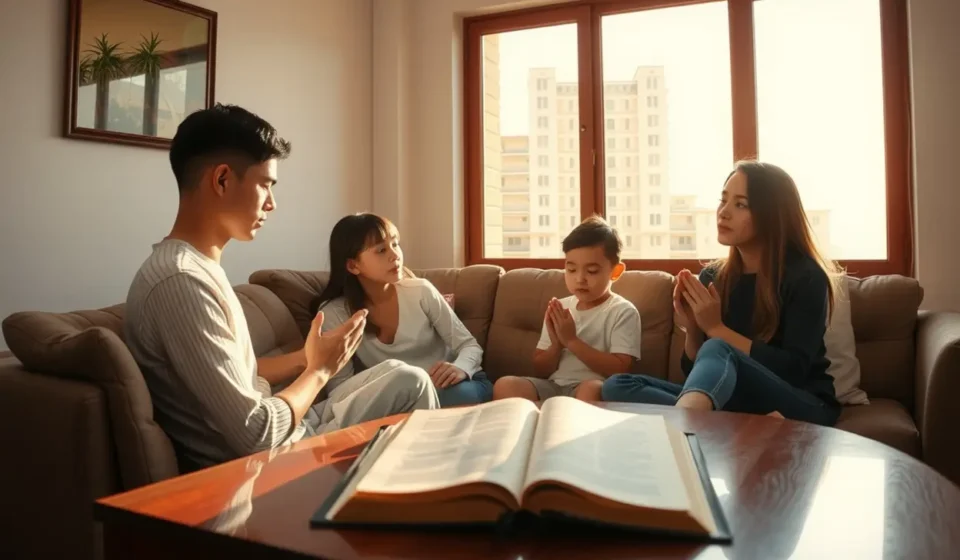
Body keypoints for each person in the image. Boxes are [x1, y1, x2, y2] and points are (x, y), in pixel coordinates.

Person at [124, 104, 439, 472]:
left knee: (402, 375)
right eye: (265, 185)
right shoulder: (180, 282)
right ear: (222, 180)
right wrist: (319, 371)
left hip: (294, 433)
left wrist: (308, 357)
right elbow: (256, 432)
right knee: (411, 383)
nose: (272, 204)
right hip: (272, 463)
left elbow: (234, 378)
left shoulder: (197, 270)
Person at [602, 160, 843, 426]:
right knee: (617, 386)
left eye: (740, 204)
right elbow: (699, 374)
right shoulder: (714, 277)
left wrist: (716, 329)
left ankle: (684, 427)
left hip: (803, 399)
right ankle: (727, 422)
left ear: (771, 214)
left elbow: (794, 370)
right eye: (723, 200)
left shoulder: (805, 277)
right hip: (731, 400)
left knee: (718, 347)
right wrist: (693, 328)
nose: (723, 212)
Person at [309, 213, 493, 407]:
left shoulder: (420, 291)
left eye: (395, 244)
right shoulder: (334, 314)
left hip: (457, 386)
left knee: (451, 397)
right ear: (353, 265)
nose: (395, 255)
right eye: (381, 250)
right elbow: (339, 389)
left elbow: (469, 345)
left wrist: (460, 368)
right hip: (400, 398)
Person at [492, 216, 642, 402]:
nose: (580, 279)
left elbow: (621, 369)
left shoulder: (622, 311)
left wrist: (571, 341)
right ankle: (540, 425)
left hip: (589, 387)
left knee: (592, 388)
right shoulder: (560, 307)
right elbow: (540, 370)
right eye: (571, 270)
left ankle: (563, 423)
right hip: (554, 386)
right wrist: (556, 344)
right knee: (505, 384)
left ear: (616, 271)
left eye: (592, 271)